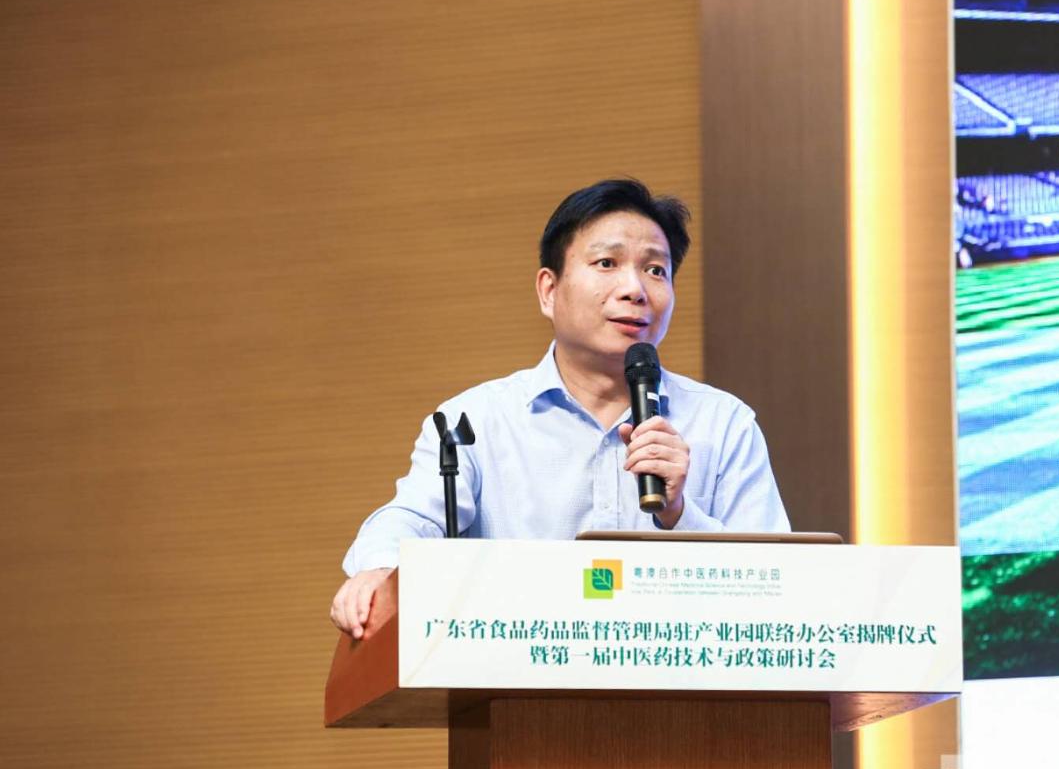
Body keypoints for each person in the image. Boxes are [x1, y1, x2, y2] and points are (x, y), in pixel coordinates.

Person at [330, 178, 790, 638]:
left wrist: (679, 514)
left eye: (656, 270)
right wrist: (380, 570)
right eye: (607, 263)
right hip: (516, 675)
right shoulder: (476, 423)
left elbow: (780, 586)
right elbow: (410, 517)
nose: (635, 289)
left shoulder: (724, 424)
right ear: (549, 291)